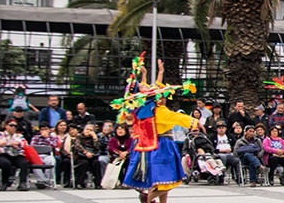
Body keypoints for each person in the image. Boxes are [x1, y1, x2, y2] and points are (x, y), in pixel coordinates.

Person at [121, 58, 201, 203]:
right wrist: (194, 122)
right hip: (163, 145)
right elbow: (176, 117)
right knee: (167, 181)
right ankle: (147, 199)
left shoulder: (144, 110)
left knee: (163, 182)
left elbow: (147, 89)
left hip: (154, 145)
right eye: (161, 96)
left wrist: (158, 72)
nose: (163, 98)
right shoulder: (159, 111)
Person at [0, 119, 31, 191]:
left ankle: (22, 183)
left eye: (15, 126)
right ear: (6, 126)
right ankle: (5, 183)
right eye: (11, 125)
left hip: (16, 155)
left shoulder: (19, 135)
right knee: (6, 163)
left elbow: (24, 143)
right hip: (2, 154)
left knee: (24, 163)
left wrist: (18, 144)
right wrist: (10, 144)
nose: (13, 127)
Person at [73, 123, 104, 189]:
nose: (88, 131)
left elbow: (98, 148)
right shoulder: (79, 137)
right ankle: (79, 183)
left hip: (92, 156)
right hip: (81, 156)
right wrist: (85, 152)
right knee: (84, 163)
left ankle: (98, 183)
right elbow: (77, 146)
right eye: (87, 129)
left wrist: (95, 138)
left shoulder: (95, 138)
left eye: (91, 130)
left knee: (96, 163)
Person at [30, 124, 61, 189]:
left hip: (48, 154)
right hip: (38, 155)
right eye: (42, 129)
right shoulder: (36, 137)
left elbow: (54, 146)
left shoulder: (53, 137)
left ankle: (48, 180)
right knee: (34, 162)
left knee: (51, 161)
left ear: (49, 130)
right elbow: (32, 147)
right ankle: (42, 181)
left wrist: (47, 138)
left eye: (46, 129)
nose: (44, 131)